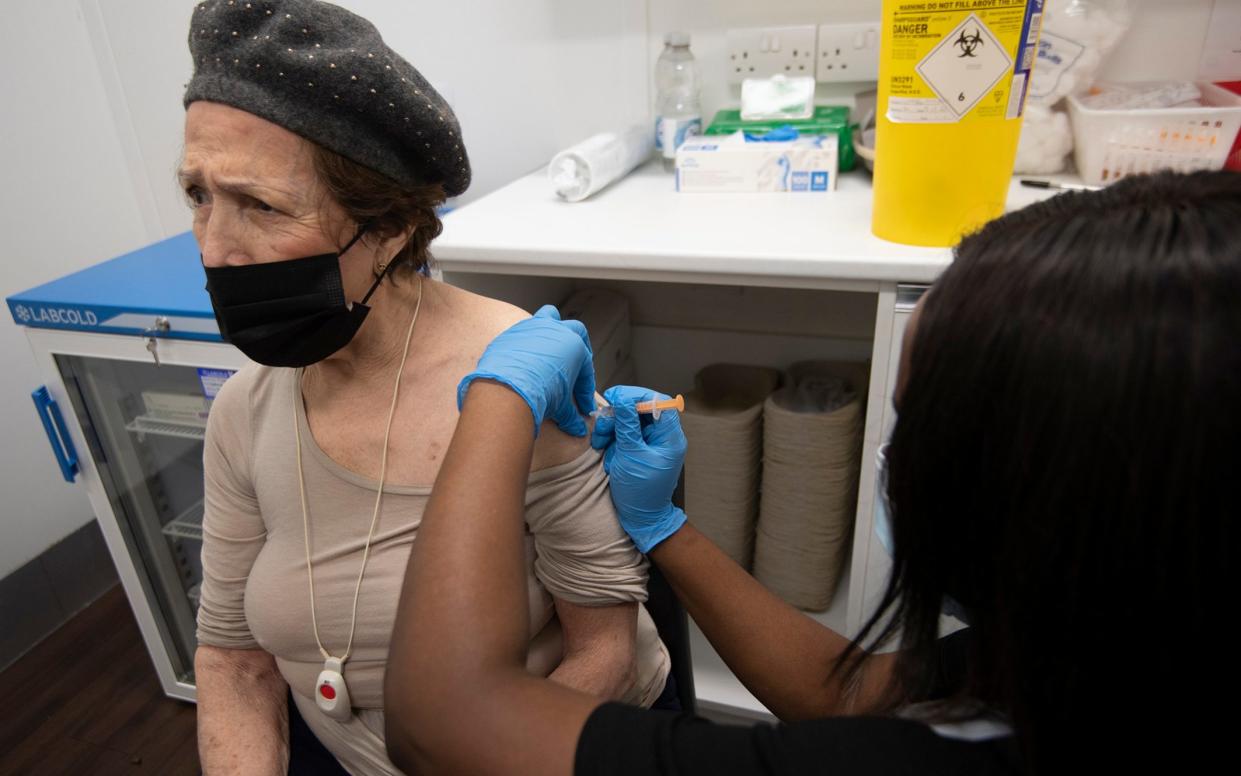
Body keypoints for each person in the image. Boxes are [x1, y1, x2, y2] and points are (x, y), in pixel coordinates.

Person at [384, 170, 1241, 774]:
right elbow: (857, 694)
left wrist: (499, 396)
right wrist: (663, 529)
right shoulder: (1123, 652)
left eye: (913, 425)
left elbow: (440, 727)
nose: (893, 457)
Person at [184, 2, 669, 774]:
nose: (215, 250)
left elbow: (604, 655)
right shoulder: (246, 411)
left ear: (389, 225)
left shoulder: (512, 381)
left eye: (261, 206)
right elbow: (232, 660)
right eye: (199, 196)